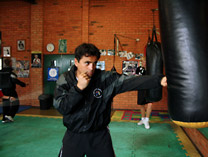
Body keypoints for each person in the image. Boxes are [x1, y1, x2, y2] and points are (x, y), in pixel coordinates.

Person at [53, 43, 167, 157]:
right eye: (87, 63)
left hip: (99, 136)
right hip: (74, 136)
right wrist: (78, 88)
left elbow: (130, 81)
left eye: (94, 63)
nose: (91, 68)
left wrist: (158, 80)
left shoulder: (105, 79)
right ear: (76, 62)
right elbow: (63, 107)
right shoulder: (66, 79)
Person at [1, 58, 26, 123]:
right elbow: (14, 80)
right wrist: (23, 84)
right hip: (10, 90)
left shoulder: (1, 71)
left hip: (3, 90)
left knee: (6, 104)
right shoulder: (11, 71)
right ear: (10, 63)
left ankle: (4, 118)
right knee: (16, 103)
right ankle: (9, 115)